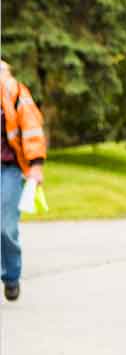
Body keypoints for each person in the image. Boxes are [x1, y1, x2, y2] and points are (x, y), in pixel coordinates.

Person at [0, 60, 47, 302]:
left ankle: (10, 276)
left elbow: (32, 128)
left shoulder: (13, 91)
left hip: (8, 168)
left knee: (5, 228)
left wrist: (36, 165)